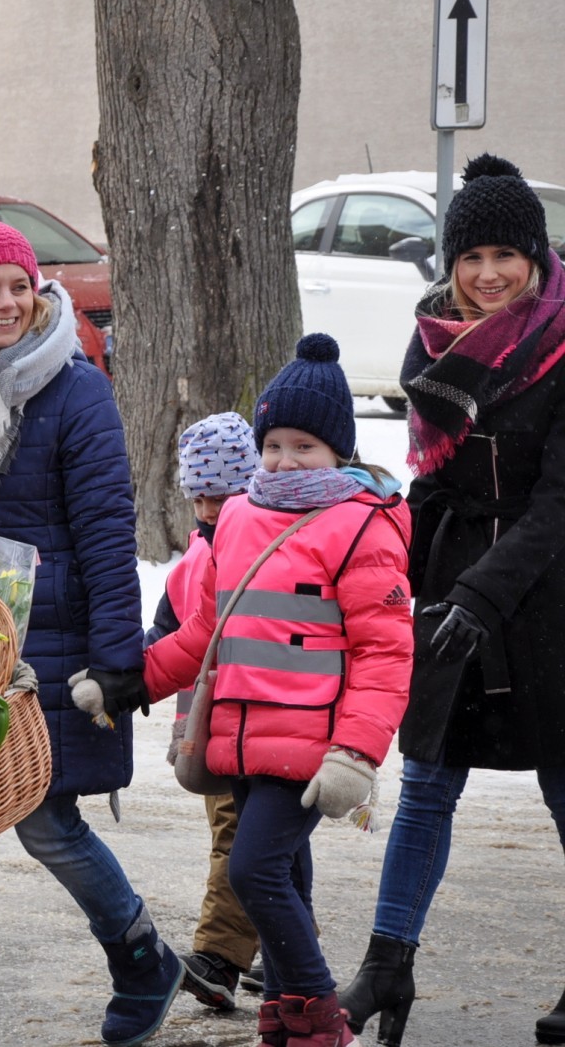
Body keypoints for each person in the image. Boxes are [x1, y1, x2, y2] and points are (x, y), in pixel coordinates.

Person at [0, 220, 181, 1047]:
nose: (8, 302)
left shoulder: (75, 391)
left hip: (46, 647)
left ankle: (141, 958)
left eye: (19, 285)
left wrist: (116, 659)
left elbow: (103, 528)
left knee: (47, 824)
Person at [334, 154, 565, 1047]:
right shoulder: (433, 340)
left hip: (548, 593)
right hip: (457, 585)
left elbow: (558, 504)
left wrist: (482, 591)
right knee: (427, 782)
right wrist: (389, 569)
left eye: (507, 254)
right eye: (471, 257)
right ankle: (388, 965)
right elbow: (429, 482)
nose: (488, 274)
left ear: (537, 258)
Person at [139, 333, 412, 1046]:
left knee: (252, 866)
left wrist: (356, 752)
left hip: (315, 746)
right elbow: (204, 631)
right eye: (274, 446)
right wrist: (128, 679)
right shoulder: (239, 516)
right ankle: (285, 1015)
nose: (285, 461)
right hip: (241, 740)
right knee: (282, 873)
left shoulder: (359, 525)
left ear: (339, 453)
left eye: (305, 446)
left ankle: (319, 1013)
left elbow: (385, 652)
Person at [145, 412, 263, 1012]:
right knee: (257, 841)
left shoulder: (264, 548)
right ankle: (284, 942)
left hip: (260, 720)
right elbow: (166, 633)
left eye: (224, 494)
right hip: (205, 724)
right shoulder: (195, 555)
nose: (211, 509)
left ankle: (219, 957)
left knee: (240, 837)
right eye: (201, 496)